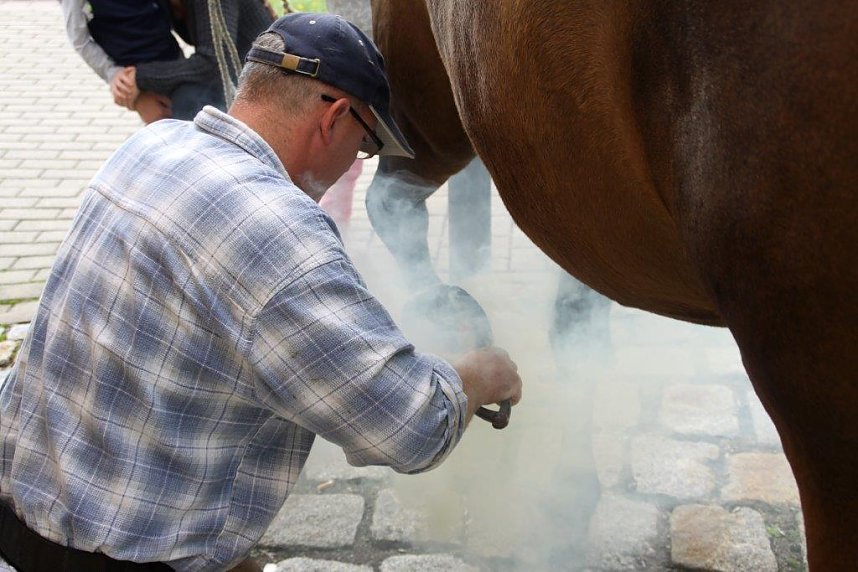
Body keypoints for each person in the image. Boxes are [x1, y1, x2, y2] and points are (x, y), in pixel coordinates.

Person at [0, 13, 522, 572]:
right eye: (365, 145)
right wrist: (482, 373)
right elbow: (408, 428)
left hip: (19, 517)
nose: (357, 164)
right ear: (336, 117)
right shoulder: (282, 230)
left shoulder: (152, 146)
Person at [62, 0, 274, 123]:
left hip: (262, 87)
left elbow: (212, 63)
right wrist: (119, 78)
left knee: (187, 102)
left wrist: (139, 79)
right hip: (231, 80)